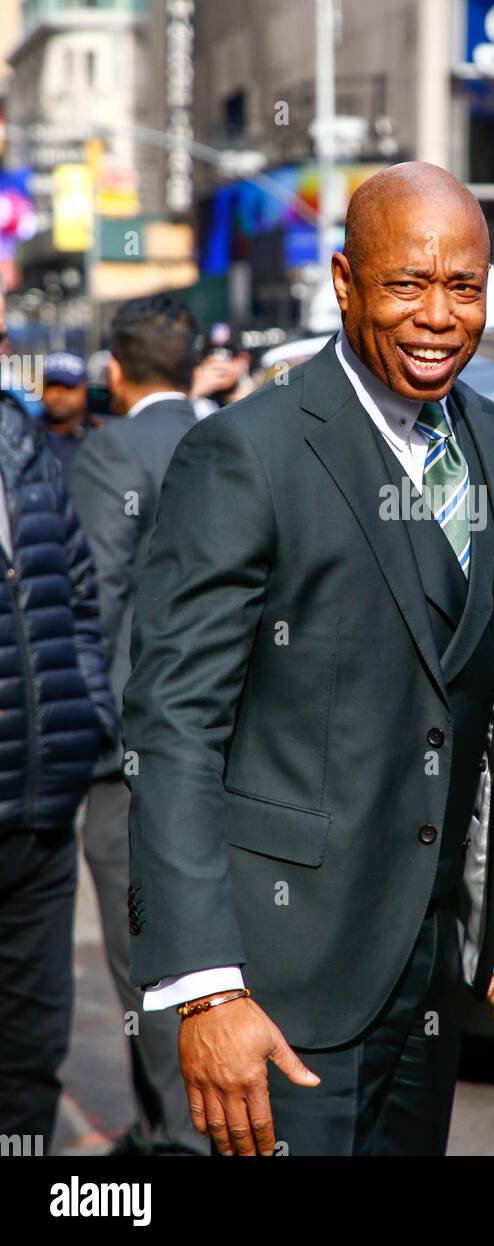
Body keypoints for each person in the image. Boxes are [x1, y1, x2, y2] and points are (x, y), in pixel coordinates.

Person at [123, 162, 494, 1157]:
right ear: (344, 281)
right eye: (407, 284)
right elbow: (173, 728)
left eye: (463, 287)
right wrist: (204, 988)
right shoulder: (246, 453)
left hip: (428, 965)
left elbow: (489, 692)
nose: (437, 316)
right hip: (281, 981)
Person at [69, 295, 205, 1156]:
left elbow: (91, 608)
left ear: (115, 371)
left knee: (145, 964)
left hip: (132, 759)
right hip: (220, 748)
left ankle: (175, 1140)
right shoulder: (233, 435)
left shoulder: (111, 449)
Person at [0, 385, 116, 1145]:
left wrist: (88, 715)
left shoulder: (21, 441)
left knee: (31, 1054)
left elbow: (76, 595)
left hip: (40, 820)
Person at [35, 352, 91, 482]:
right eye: (53, 385)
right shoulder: (25, 435)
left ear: (84, 390)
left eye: (69, 386)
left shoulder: (99, 440)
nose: (60, 393)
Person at [189, 323, 255, 416]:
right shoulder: (197, 403)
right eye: (211, 354)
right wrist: (194, 394)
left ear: (244, 360)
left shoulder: (259, 395)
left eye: (228, 355)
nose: (219, 364)